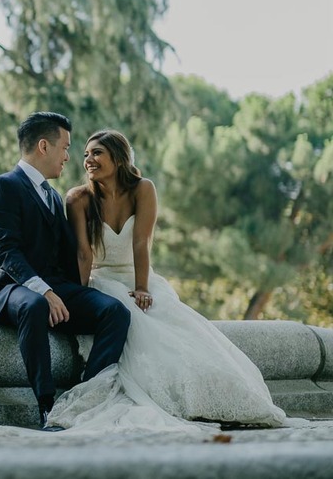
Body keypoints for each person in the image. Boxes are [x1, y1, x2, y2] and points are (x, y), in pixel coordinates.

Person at [46, 128, 286, 430]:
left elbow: (141, 243)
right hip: (103, 280)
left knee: (179, 330)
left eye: (97, 153)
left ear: (119, 158)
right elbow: (84, 253)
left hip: (139, 277)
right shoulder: (78, 198)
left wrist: (143, 287)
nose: (88, 160)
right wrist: (79, 297)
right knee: (131, 321)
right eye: (85, 154)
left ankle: (213, 399)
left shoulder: (143, 189)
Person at [0, 112, 131, 431]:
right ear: (43, 146)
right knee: (34, 305)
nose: (68, 157)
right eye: (65, 147)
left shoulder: (52, 195)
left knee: (114, 311)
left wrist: (80, 294)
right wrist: (44, 292)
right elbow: (5, 252)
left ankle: (85, 399)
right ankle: (47, 405)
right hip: (9, 288)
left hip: (55, 287)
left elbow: (68, 254)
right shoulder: (2, 186)